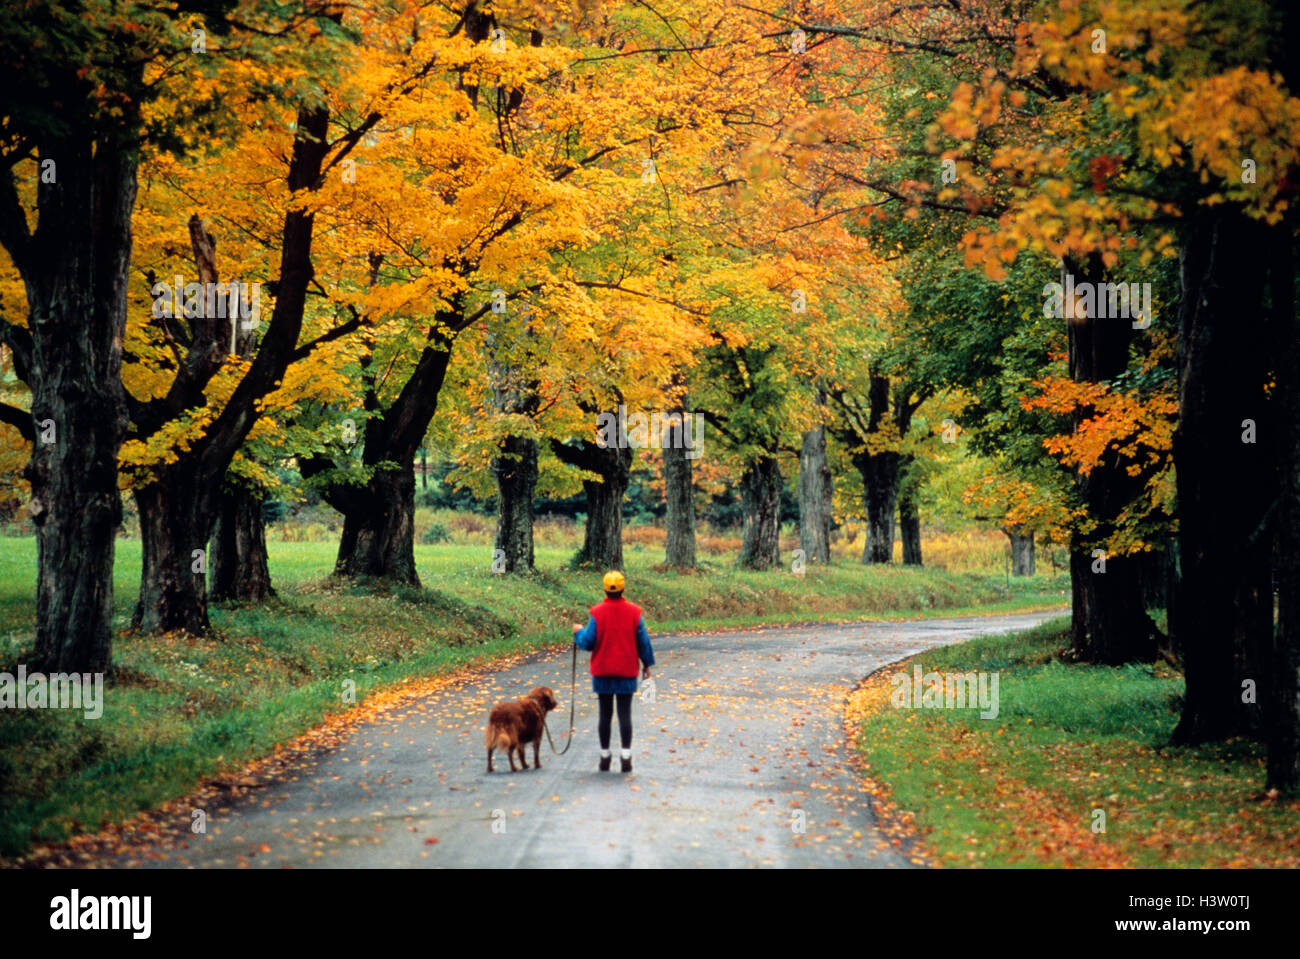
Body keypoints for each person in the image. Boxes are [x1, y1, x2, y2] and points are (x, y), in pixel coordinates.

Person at [572, 570, 654, 772]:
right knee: (625, 714)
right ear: (623, 588)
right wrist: (647, 665)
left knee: (605, 714)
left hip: (603, 672)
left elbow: (588, 642)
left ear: (605, 589)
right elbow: (643, 642)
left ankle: (605, 756)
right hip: (627, 671)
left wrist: (578, 632)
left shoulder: (597, 613)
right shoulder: (635, 613)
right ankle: (626, 755)